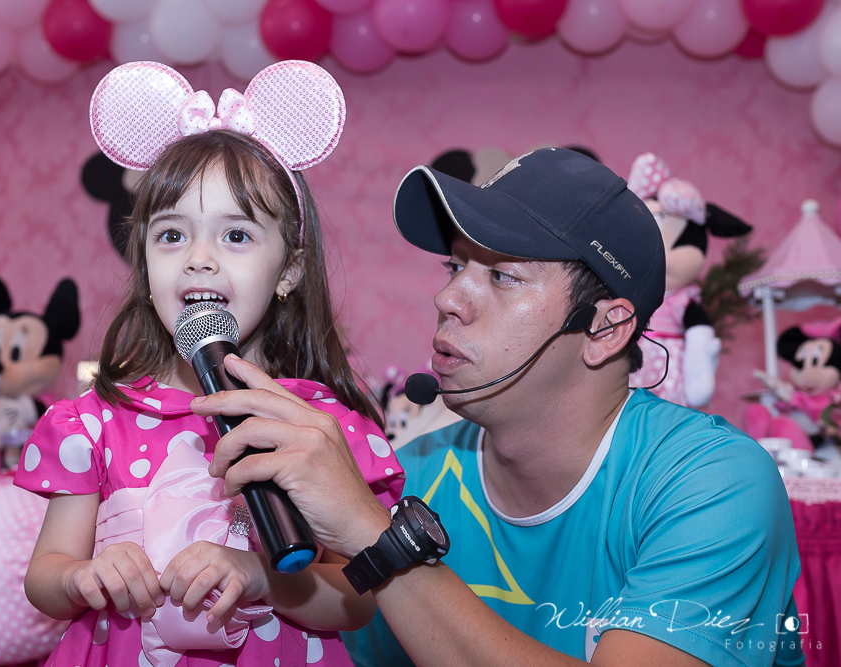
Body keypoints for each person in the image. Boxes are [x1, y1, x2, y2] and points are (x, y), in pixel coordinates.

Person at [194, 147, 804, 667]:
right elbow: (343, 608)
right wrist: (258, 574)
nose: (447, 297)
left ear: (605, 330)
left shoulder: (713, 484)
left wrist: (378, 538)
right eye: (456, 265)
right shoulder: (417, 477)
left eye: (504, 275)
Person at [15, 60, 404, 667]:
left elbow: (355, 601)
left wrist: (263, 577)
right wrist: (84, 577)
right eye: (172, 236)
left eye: (236, 236)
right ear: (145, 269)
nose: (198, 259)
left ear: (290, 271)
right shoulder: (92, 422)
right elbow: (46, 576)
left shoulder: (323, 428)